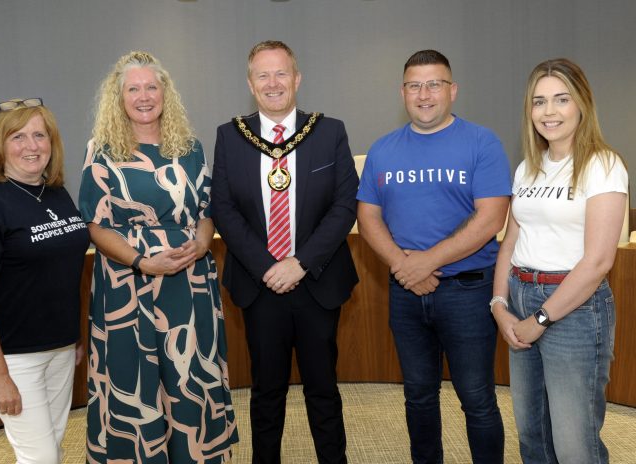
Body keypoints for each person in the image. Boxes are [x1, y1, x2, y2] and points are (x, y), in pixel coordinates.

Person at [78, 51, 238, 463]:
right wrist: (142, 262)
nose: (144, 96)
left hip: (190, 281)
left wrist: (201, 245)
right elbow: (96, 226)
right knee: (136, 379)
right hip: (127, 285)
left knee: (190, 377)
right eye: (134, 88)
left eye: (152, 87)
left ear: (166, 93)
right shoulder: (102, 151)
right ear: (119, 97)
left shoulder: (190, 148)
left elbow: (207, 212)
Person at [357, 49, 510, 463]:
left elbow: (491, 216)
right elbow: (368, 217)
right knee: (418, 396)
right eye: (414, 85)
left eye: (434, 84)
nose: (424, 94)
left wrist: (426, 262)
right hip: (405, 294)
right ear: (402, 91)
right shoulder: (383, 149)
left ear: (452, 90)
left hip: (468, 294)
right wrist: (404, 267)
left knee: (477, 399)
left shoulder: (482, 142)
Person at [212, 40, 358, 464]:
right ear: (250, 83)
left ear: (296, 79)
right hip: (261, 287)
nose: (273, 83)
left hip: (316, 282)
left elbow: (344, 205)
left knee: (323, 390)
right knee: (266, 391)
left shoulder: (329, 131)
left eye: (281, 74)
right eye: (263, 75)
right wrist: (267, 267)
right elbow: (223, 208)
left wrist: (299, 263)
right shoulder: (230, 136)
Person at [491, 58, 628, 463]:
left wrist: (541, 320)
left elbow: (599, 261)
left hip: (575, 310)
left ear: (582, 104)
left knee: (574, 445)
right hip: (519, 297)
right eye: (539, 101)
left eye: (561, 99)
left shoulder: (603, 165)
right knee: (533, 436)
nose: (548, 112)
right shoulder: (528, 169)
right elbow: (510, 240)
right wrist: (499, 305)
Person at [0, 98, 90, 463]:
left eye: (39, 135)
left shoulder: (58, 194)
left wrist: (74, 335)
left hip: (60, 348)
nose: (31, 146)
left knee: (51, 449)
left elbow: (63, 273)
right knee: (41, 458)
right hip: (12, 356)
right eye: (17, 137)